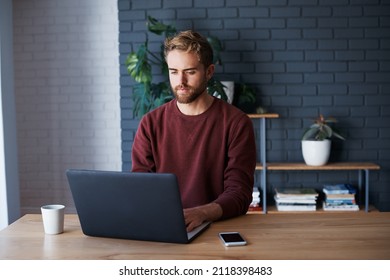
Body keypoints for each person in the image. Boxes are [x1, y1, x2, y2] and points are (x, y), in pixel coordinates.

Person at [131, 30, 256, 232]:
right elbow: (141, 187)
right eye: (173, 71)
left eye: (190, 72)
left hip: (216, 228)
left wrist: (201, 213)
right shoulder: (150, 124)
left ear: (209, 71)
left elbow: (239, 193)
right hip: (164, 227)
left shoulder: (236, 123)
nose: (180, 81)